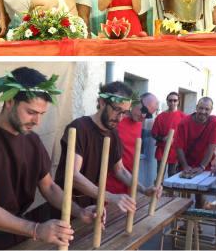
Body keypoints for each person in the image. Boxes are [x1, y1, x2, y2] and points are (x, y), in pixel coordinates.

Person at [0, 67, 98, 249]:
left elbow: (49, 187)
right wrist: (36, 229)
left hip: (15, 236)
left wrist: (80, 211)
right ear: (9, 101)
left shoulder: (33, 142)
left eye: (41, 114)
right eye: (31, 112)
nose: (37, 121)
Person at [55, 82, 161, 214]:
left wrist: (144, 189)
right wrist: (110, 196)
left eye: (124, 113)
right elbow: (73, 175)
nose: (120, 118)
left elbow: (120, 170)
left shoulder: (113, 133)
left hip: (91, 203)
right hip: (66, 204)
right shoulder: (79, 128)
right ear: (102, 102)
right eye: (117, 110)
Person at [106, 93, 159, 194]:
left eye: (148, 115)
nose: (143, 116)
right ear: (136, 101)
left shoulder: (138, 123)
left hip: (127, 183)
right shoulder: (115, 121)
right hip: (108, 184)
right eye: (144, 110)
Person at [174, 97, 216, 208]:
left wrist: (202, 166)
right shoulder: (184, 123)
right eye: (200, 108)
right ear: (196, 108)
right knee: (184, 196)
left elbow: (211, 146)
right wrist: (185, 166)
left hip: (204, 163)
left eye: (207, 109)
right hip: (186, 162)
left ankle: (196, 223)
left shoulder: (215, 121)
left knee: (200, 194)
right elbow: (178, 147)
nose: (203, 112)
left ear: (211, 110)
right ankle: (186, 224)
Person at [152, 91, 186, 177]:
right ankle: (158, 190)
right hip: (162, 150)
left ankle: (169, 191)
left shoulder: (184, 117)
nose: (172, 102)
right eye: (170, 100)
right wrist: (163, 139)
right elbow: (153, 134)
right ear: (167, 102)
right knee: (160, 175)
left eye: (175, 100)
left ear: (178, 102)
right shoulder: (160, 117)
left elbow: (187, 135)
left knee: (172, 176)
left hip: (176, 152)